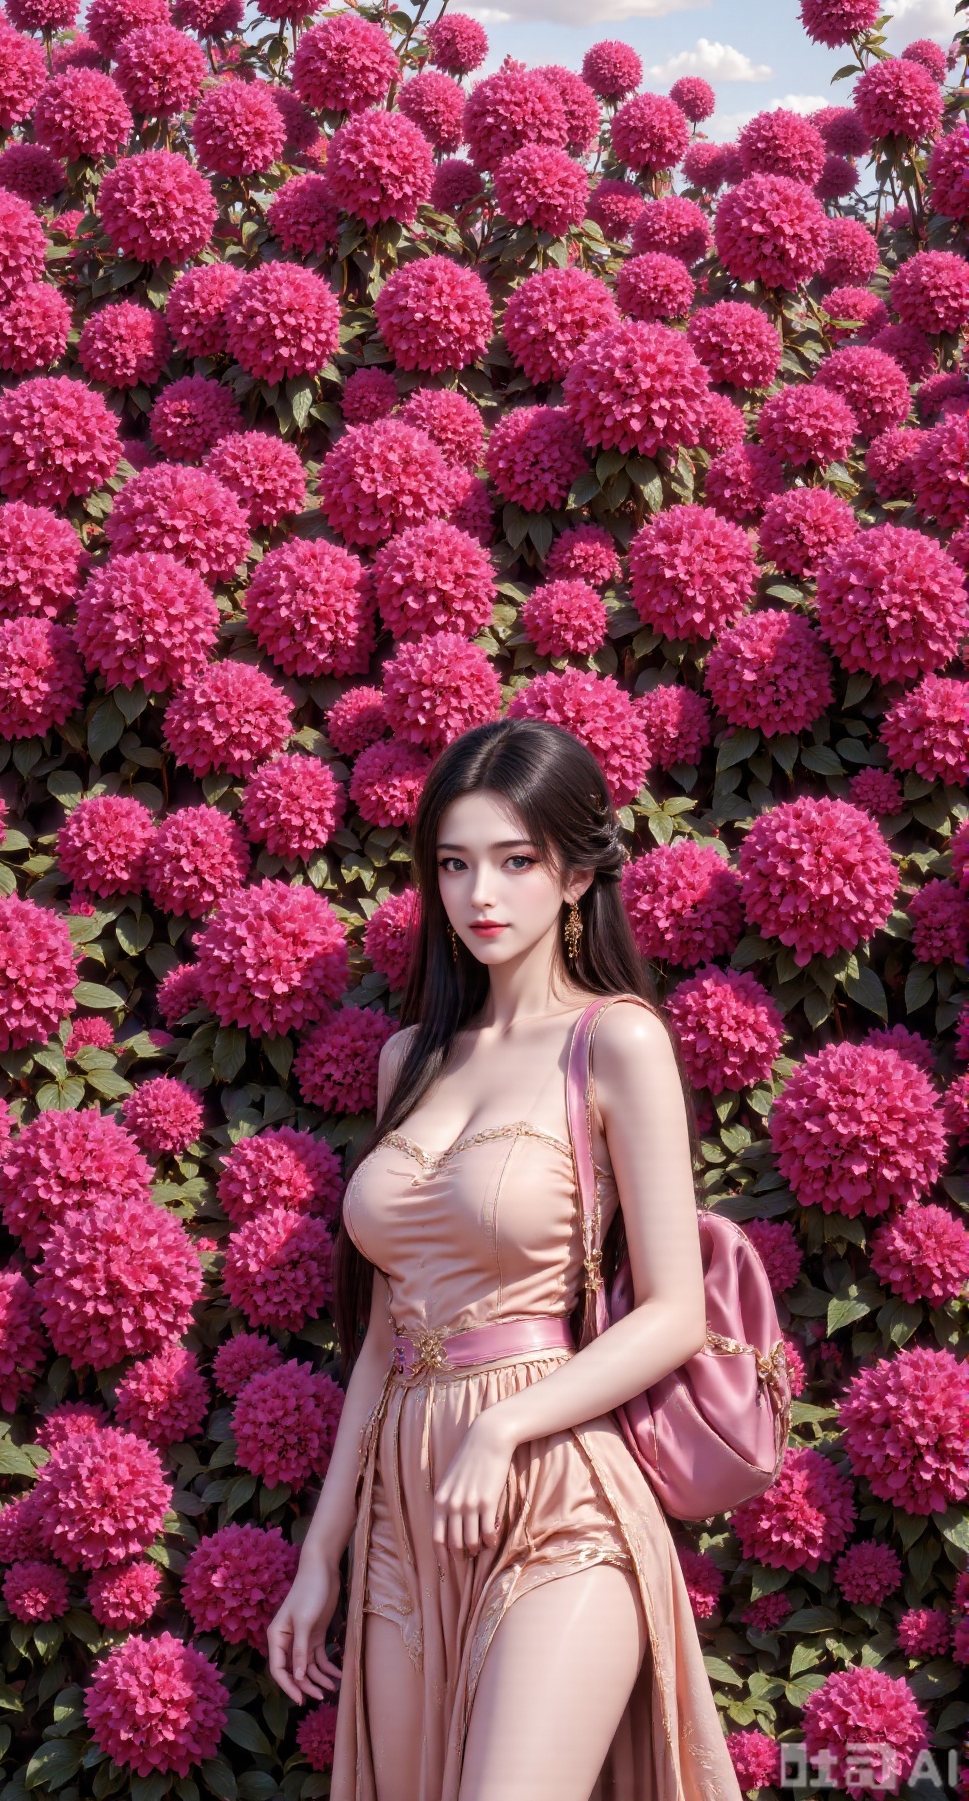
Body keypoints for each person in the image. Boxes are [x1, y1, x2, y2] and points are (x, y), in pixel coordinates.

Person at [267, 718, 744, 1801]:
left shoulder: (615, 1039)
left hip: (555, 1481)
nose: (480, 893)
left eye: (516, 860)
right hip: (407, 1506)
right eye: (454, 863)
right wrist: (321, 1553)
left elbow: (674, 1311)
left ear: (576, 875)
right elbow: (385, 1337)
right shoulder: (408, 1059)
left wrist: (504, 1425)